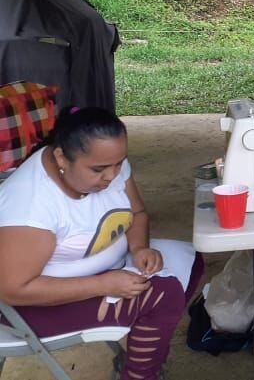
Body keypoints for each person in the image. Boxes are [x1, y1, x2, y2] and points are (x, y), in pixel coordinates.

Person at [0, 107, 203, 380]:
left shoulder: (108, 163)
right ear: (61, 156)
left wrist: (139, 248)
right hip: (32, 308)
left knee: (191, 260)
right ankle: (140, 374)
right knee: (162, 294)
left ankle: (146, 355)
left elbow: (138, 214)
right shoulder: (31, 205)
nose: (111, 175)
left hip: (104, 273)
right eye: (99, 169)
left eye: (118, 164)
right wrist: (102, 285)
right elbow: (14, 290)